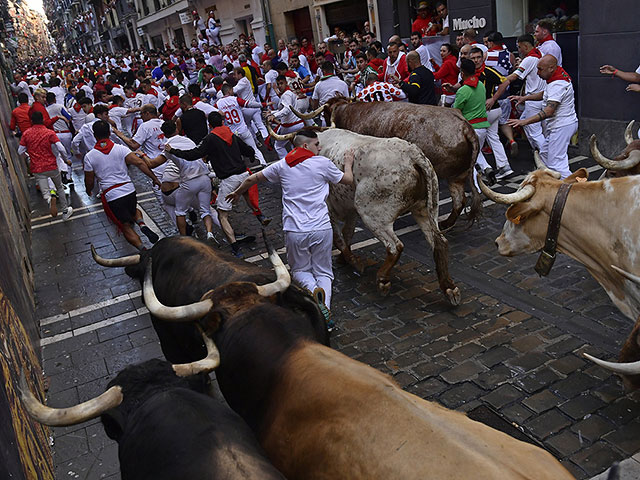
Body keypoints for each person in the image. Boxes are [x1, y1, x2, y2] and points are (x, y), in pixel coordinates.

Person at [225, 129, 354, 325]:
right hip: (321, 227)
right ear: (305, 146)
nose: (320, 148)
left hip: (296, 230)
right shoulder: (323, 163)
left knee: (300, 271)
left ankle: (312, 292)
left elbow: (252, 179)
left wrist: (236, 192)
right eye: (316, 144)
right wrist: (348, 163)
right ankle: (324, 307)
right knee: (324, 272)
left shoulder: (283, 165)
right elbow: (348, 180)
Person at [166, 111, 268, 257]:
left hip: (228, 180)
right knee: (245, 194)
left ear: (210, 124)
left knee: (222, 215)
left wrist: (173, 151)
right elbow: (248, 149)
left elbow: (193, 154)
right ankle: (260, 216)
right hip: (244, 175)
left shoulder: (210, 138)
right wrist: (251, 157)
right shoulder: (231, 134)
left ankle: (235, 247)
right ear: (222, 121)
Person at [84, 120, 161, 249]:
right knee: (133, 210)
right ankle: (142, 224)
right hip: (129, 190)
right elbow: (140, 163)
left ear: (94, 135)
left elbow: (89, 179)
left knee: (124, 224)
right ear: (109, 133)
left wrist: (88, 190)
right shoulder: (121, 149)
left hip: (112, 195)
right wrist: (155, 178)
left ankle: (143, 249)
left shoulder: (90, 156)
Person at [139, 120, 216, 241]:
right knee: (206, 210)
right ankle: (210, 233)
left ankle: (185, 239)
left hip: (189, 181)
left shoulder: (168, 147)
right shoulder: (188, 140)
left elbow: (152, 164)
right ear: (176, 129)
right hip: (204, 178)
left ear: (164, 134)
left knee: (180, 212)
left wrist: (142, 155)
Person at [507, 55, 577, 179]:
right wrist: (525, 98)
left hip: (561, 126)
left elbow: (548, 111)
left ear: (551, 68)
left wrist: (524, 121)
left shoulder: (558, 84)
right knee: (544, 153)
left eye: (540, 69)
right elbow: (546, 94)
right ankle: (551, 181)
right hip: (560, 125)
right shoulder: (557, 75)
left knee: (557, 163)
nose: (537, 73)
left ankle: (573, 188)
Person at [489, 34, 546, 152]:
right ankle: (539, 151)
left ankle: (545, 156)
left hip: (533, 100)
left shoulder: (529, 59)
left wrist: (498, 81)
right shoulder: (541, 55)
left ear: (525, 46)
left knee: (535, 131)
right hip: (542, 97)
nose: (518, 50)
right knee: (526, 121)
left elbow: (512, 77)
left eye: (519, 47)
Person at [19, 111, 73, 220]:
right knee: (59, 187)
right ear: (43, 120)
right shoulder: (49, 133)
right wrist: (65, 159)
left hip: (37, 168)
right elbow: (61, 147)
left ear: (31, 121)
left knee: (45, 191)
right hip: (51, 166)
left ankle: (49, 199)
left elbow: (20, 151)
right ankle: (65, 211)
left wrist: (30, 156)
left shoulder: (26, 134)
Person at [468, 47, 513, 179]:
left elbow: (506, 82)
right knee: (493, 137)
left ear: (483, 58)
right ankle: (505, 167)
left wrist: (493, 98)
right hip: (492, 112)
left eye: (478, 57)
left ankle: (483, 169)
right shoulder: (472, 72)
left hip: (486, 112)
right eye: (473, 58)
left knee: (475, 144)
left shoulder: (488, 71)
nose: (476, 60)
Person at [453, 58, 494, 185]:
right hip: (483, 128)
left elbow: (456, 111)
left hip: (470, 129)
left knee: (470, 161)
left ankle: (478, 188)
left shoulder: (463, 90)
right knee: (476, 153)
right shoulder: (481, 85)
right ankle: (487, 167)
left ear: (462, 73)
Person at [215, 83, 267, 166]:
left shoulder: (218, 104)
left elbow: (213, 113)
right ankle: (263, 163)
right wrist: (263, 105)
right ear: (229, 91)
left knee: (236, 153)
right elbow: (249, 104)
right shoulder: (235, 99)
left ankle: (242, 168)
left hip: (231, 133)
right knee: (254, 148)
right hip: (242, 129)